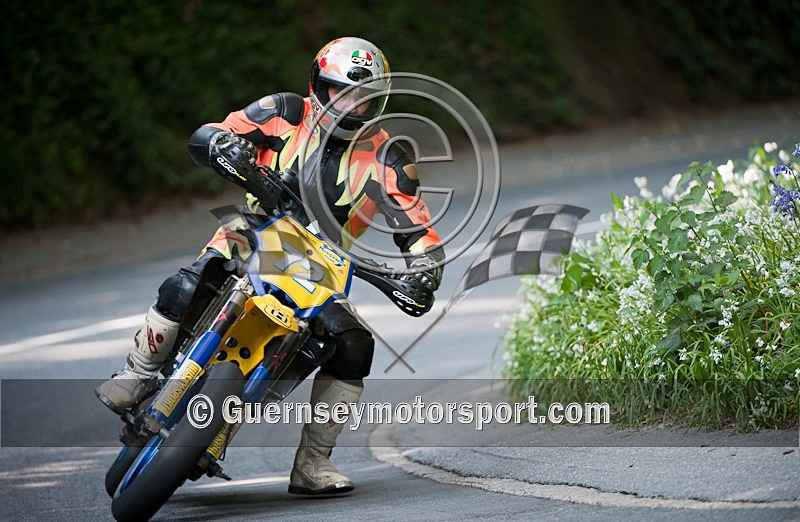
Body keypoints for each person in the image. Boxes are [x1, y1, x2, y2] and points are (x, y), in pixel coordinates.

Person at [95, 37, 443, 496]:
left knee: (355, 344)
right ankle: (138, 372)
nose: (348, 106)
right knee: (187, 284)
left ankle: (313, 464)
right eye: (338, 92)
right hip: (252, 232)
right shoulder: (284, 111)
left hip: (319, 265)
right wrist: (224, 145)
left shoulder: (390, 156)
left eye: (362, 98)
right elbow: (209, 134)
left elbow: (417, 229)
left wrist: (422, 270)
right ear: (317, 86)